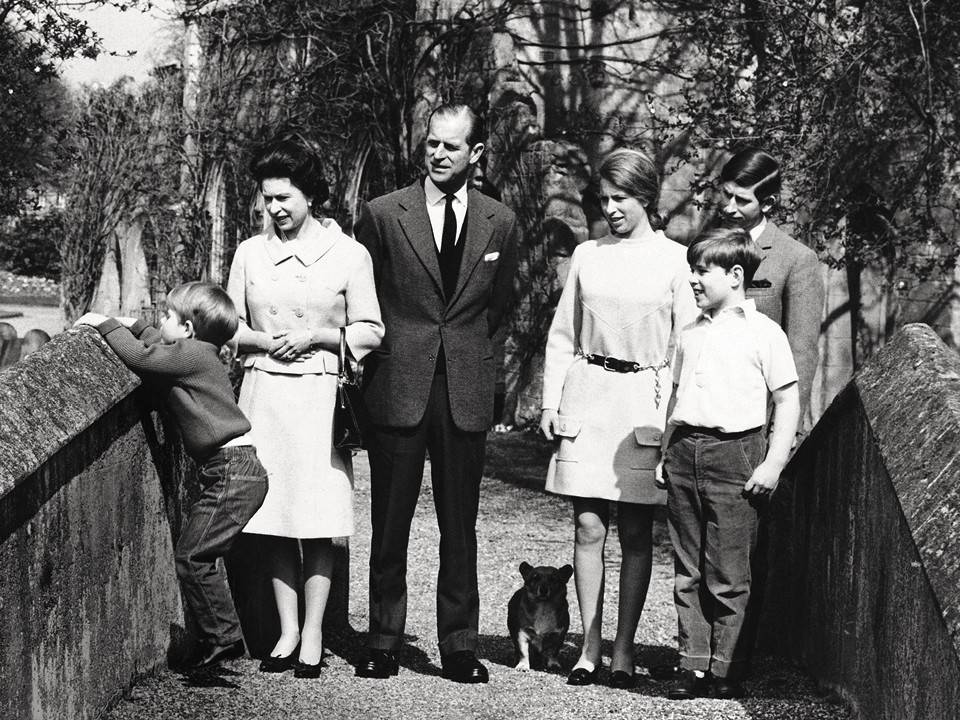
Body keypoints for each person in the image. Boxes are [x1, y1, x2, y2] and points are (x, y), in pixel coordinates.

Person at [353, 103, 519, 684]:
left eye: (451, 145)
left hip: (464, 390)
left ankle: (459, 646)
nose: (438, 154)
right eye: (432, 143)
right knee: (389, 523)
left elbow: (499, 309)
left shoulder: (500, 221)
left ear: (476, 153)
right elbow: (365, 299)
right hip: (398, 385)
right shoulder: (382, 214)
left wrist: (475, 361)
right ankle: (382, 640)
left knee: (460, 526)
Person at [226, 137, 383, 679]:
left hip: (319, 398)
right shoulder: (249, 253)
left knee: (317, 518)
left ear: (310, 195)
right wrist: (265, 342)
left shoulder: (348, 254)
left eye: (284, 198)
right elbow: (228, 326)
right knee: (273, 516)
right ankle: (287, 630)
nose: (274, 209)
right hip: (265, 395)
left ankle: (314, 631)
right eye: (267, 198)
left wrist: (316, 336)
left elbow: (371, 329)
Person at [539, 148, 697, 688]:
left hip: (643, 406)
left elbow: (685, 349)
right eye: (604, 198)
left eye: (621, 198)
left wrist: (674, 420)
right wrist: (551, 402)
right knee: (588, 526)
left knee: (634, 532)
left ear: (646, 197)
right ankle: (589, 647)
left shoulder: (677, 261)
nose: (610, 208)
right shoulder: (588, 255)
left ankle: (623, 649)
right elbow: (562, 335)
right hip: (587, 397)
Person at [74, 282, 269, 672]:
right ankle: (220, 636)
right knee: (197, 555)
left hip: (231, 471)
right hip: (234, 470)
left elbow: (142, 356)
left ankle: (225, 637)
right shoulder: (197, 353)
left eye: (166, 315)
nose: (159, 319)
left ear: (188, 330)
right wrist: (134, 324)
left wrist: (102, 323)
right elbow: (158, 345)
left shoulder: (192, 355)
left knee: (193, 556)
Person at [656, 228, 800, 700]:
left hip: (736, 455)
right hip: (684, 452)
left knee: (729, 571)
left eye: (703, 271)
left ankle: (727, 668)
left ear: (736, 275)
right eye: (691, 270)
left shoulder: (764, 333)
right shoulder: (690, 331)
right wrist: (665, 451)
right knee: (688, 568)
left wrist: (773, 463)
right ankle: (693, 664)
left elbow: (787, 400)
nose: (693, 280)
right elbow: (676, 396)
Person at [717, 147, 824, 669]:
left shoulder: (796, 260)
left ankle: (739, 658)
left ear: (770, 203)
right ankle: (702, 653)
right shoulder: (711, 246)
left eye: (741, 200)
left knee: (750, 545)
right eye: (726, 196)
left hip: (758, 425)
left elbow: (801, 355)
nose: (729, 207)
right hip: (707, 418)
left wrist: (784, 439)